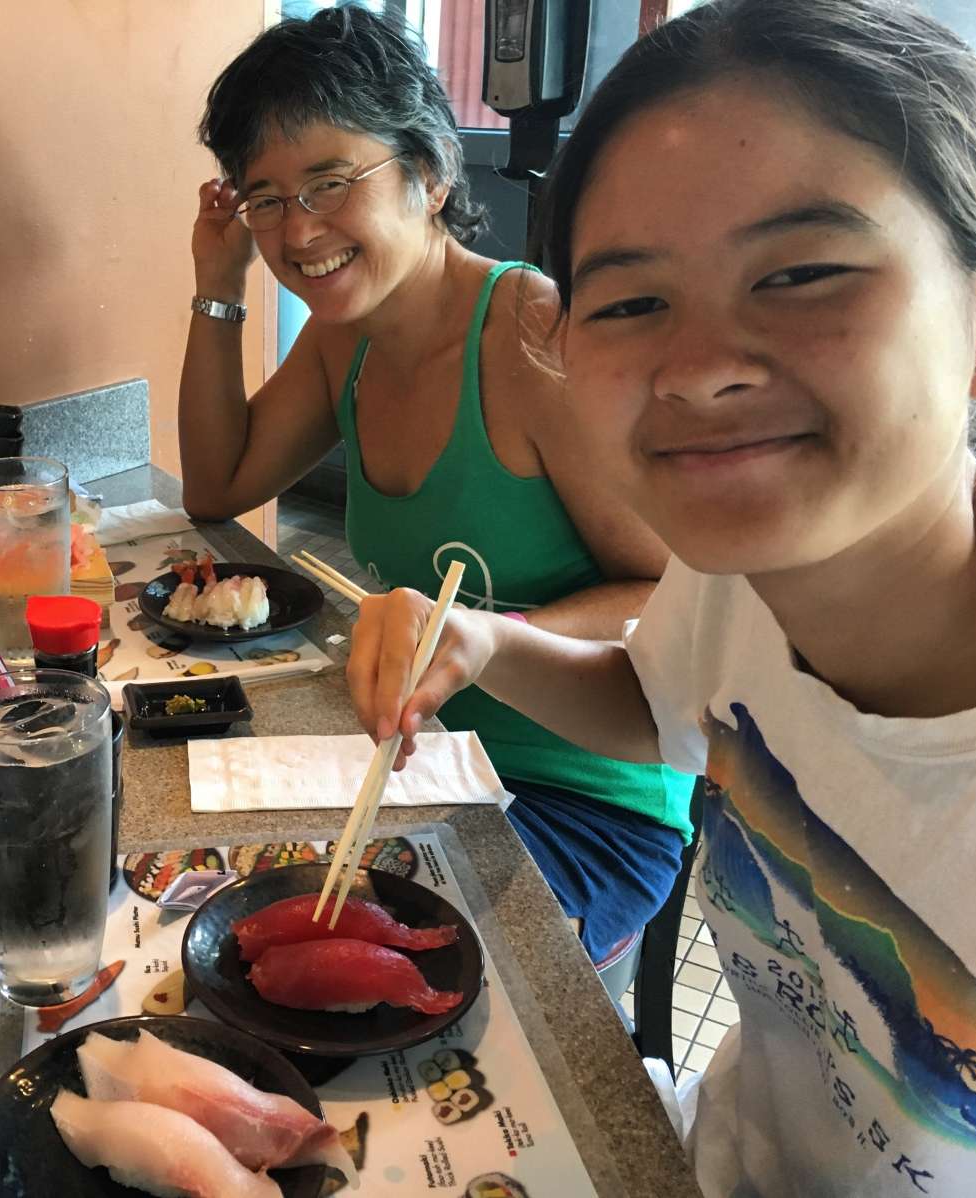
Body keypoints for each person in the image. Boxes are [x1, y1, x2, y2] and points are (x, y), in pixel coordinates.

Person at [347, 0, 976, 1192]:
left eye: (802, 274)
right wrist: (483, 642)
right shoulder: (735, 570)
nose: (701, 369)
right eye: (631, 302)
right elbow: (654, 703)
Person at [181, 6, 694, 964]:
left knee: (371, 980)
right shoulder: (343, 339)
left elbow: (672, 591)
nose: (299, 229)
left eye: (330, 182)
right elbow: (217, 487)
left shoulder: (531, 334)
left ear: (430, 172)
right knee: (226, 926)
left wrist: (481, 642)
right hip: (418, 761)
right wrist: (220, 283)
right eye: (266, 198)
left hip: (579, 796)